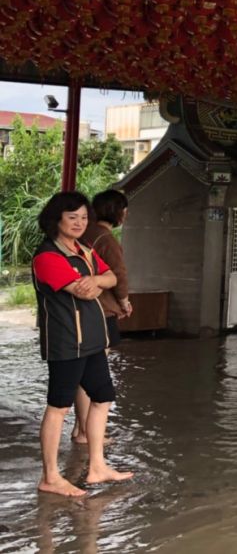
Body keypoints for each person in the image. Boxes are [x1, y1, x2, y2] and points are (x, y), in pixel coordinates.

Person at [31, 191, 134, 497]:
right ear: (56, 220)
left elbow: (111, 278)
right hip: (65, 341)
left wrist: (97, 279)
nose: (79, 223)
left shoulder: (85, 249)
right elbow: (85, 291)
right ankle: (50, 476)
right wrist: (96, 280)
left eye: (83, 217)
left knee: (103, 396)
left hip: (91, 339)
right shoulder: (47, 256)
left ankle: (98, 466)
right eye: (72, 217)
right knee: (58, 407)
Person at [73, 189, 132, 446]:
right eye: (125, 211)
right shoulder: (106, 239)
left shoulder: (81, 234)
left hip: (80, 310)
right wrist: (125, 301)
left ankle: (80, 428)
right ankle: (88, 432)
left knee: (82, 371)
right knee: (95, 372)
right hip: (101, 309)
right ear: (117, 212)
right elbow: (118, 274)